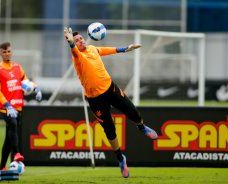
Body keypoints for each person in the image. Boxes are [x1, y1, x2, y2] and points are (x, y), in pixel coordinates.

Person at [64, 27, 158, 178]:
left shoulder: (93, 48)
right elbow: (74, 51)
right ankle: (121, 159)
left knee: (133, 112)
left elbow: (107, 50)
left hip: (110, 89)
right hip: (95, 99)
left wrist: (125, 49)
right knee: (110, 129)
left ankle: (142, 127)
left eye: (81, 38)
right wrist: (71, 44)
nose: (80, 41)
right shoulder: (77, 56)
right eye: (76, 40)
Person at [0, 42, 42, 171]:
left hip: (17, 106)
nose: (7, 54)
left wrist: (36, 88)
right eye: (4, 52)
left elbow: (25, 81)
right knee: (12, 124)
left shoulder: (17, 67)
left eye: (9, 51)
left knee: (8, 138)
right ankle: (17, 153)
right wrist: (7, 105)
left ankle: (1, 168)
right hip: (4, 107)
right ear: (0, 54)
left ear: (12, 52)